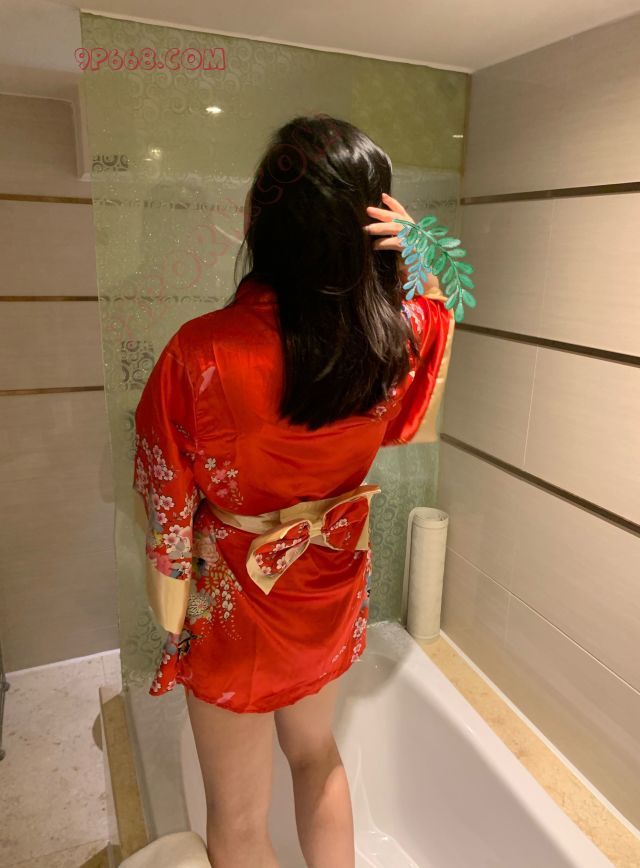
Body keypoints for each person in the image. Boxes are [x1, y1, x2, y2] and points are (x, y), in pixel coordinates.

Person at [132, 115, 454, 868]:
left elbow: (165, 497)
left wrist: (172, 613)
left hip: (238, 599)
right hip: (331, 583)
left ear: (256, 219)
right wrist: (423, 249)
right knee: (318, 759)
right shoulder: (396, 338)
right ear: (371, 232)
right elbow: (434, 342)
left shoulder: (201, 351)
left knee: (240, 821)